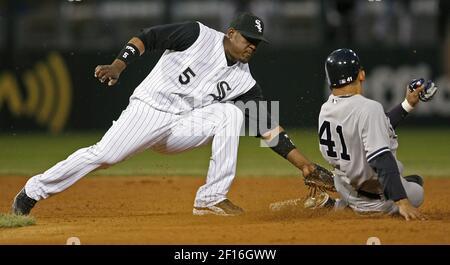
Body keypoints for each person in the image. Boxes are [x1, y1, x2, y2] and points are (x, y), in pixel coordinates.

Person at [12, 12, 328, 217]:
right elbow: (147, 37)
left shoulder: (245, 80)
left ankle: (210, 199)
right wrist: (119, 66)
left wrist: (303, 164)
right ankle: (32, 191)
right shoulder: (197, 34)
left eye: (257, 43)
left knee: (232, 116)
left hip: (184, 126)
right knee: (104, 155)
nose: (252, 47)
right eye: (248, 39)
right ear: (231, 33)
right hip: (149, 110)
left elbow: (265, 125)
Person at [318, 48, 437, 220]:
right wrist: (401, 201)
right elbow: (381, 158)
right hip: (376, 199)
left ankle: (343, 203)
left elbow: (376, 125)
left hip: (346, 188)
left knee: (398, 177)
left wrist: (408, 104)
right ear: (362, 75)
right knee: (417, 187)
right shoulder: (369, 108)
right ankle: (346, 207)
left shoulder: (326, 109)